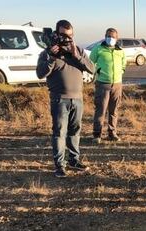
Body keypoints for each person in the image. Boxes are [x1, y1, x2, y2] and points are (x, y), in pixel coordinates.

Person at [37, 20, 95, 178]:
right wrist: (50, 58)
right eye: (63, 35)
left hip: (78, 99)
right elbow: (40, 73)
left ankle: (74, 160)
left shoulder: (78, 51)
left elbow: (92, 69)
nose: (67, 39)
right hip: (59, 100)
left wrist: (77, 56)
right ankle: (59, 165)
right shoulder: (48, 53)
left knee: (75, 132)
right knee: (59, 133)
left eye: (70, 36)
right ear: (56, 34)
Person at [90, 28, 126, 143]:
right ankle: (97, 134)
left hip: (117, 84)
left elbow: (124, 64)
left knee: (114, 110)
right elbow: (90, 63)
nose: (111, 38)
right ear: (105, 36)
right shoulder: (98, 49)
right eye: (109, 36)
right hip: (102, 84)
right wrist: (97, 72)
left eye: (113, 36)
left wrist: (120, 73)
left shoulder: (120, 51)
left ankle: (112, 132)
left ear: (117, 38)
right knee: (101, 110)